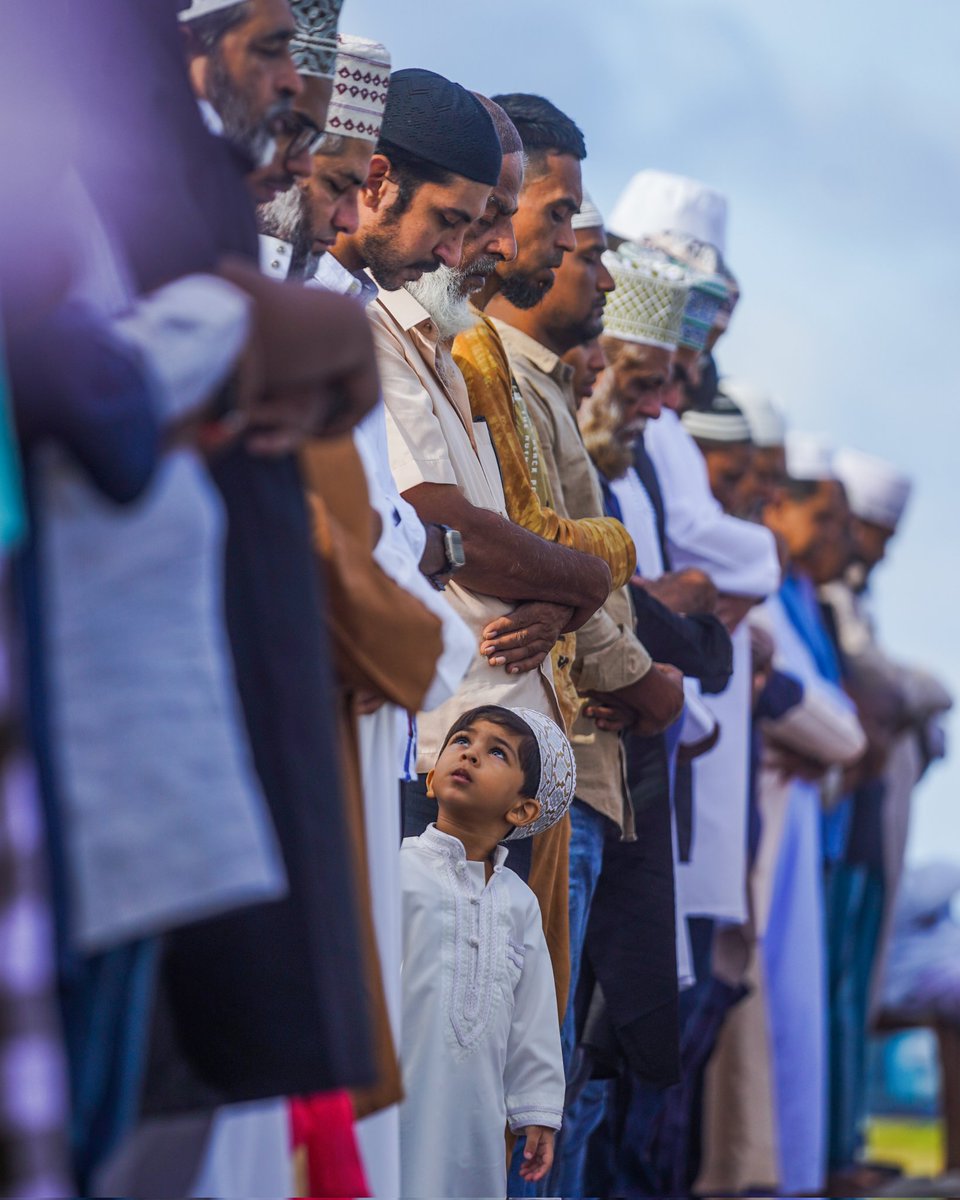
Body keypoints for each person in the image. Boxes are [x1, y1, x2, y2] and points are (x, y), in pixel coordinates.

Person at [399, 704, 573, 1198]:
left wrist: (537, 1110)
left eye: (495, 751)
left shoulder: (519, 902)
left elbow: (534, 1017)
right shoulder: (396, 872)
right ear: (431, 780)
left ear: (522, 810)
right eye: (462, 741)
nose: (470, 754)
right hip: (395, 1096)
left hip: (473, 1118)